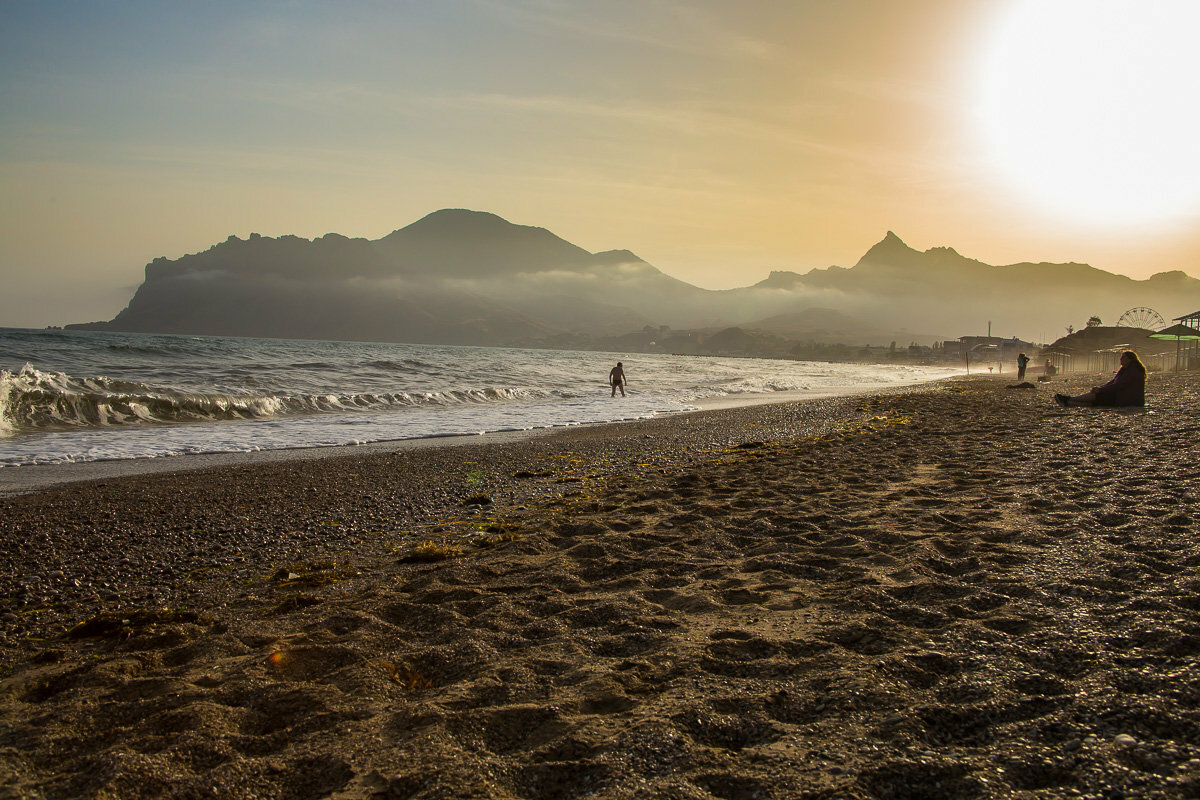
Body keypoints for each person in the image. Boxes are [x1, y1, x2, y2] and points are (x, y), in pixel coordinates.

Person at [1054, 350, 1146, 408]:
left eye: (1123, 357)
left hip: (1129, 400)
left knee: (1098, 397)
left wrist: (1101, 390)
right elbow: (1114, 382)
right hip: (1122, 397)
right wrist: (1101, 388)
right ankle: (1069, 402)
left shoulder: (1133, 370)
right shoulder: (1125, 369)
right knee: (1097, 400)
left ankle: (1070, 399)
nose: (1121, 359)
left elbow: (1119, 385)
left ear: (1130, 359)